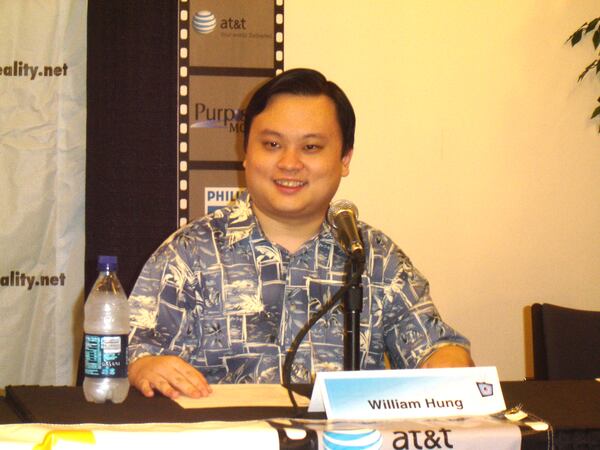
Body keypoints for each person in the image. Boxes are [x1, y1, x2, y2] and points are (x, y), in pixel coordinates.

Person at [128, 68, 473, 400]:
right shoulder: (189, 253)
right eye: (273, 144)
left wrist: (449, 364)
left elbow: (434, 348)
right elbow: (126, 351)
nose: (289, 163)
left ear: (344, 159)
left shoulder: (373, 257)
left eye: (311, 147)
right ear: (246, 152)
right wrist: (141, 367)